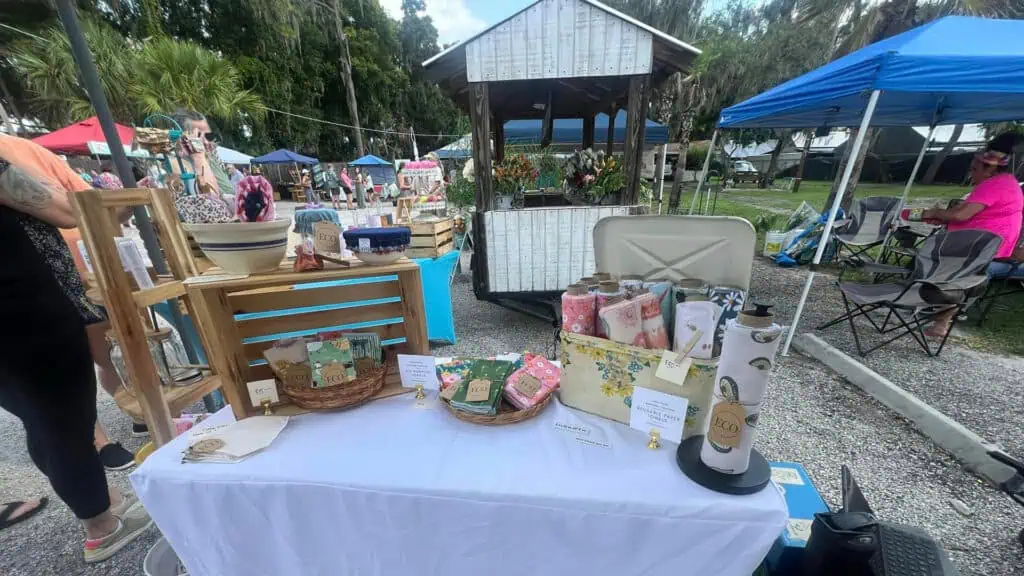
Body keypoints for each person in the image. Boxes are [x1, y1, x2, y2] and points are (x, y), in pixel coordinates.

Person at [0, 154, 154, 563]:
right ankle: (100, 526)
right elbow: (68, 210)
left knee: (40, 418)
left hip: (15, 323)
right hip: (26, 311)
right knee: (65, 421)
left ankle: (98, 504)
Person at [0, 134, 138, 469]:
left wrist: (115, 206)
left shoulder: (25, 149)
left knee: (106, 352)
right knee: (62, 388)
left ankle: (131, 410)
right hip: (35, 291)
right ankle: (95, 442)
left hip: (80, 271)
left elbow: (82, 199)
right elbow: (66, 210)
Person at [919, 132, 1023, 337]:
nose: (971, 173)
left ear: (990, 168)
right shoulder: (1007, 183)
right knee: (948, 269)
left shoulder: (994, 185)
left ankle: (935, 314)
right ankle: (939, 319)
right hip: (986, 248)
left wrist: (935, 212)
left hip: (982, 251)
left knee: (933, 261)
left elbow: (961, 215)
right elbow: (971, 215)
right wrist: (945, 217)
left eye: (974, 169)